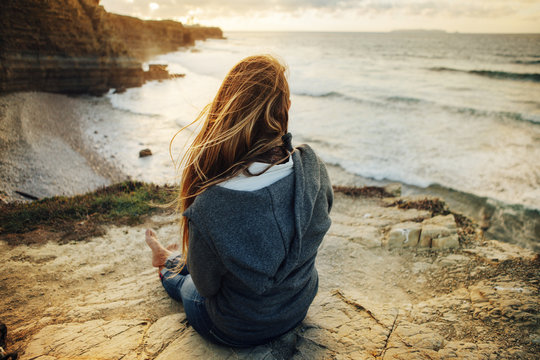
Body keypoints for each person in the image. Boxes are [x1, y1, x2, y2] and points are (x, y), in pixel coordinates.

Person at [145, 54, 333, 347]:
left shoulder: (211, 202)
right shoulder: (312, 167)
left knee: (190, 284)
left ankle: (165, 261)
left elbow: (207, 288)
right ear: (286, 108)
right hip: (296, 308)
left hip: (237, 329)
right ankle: (170, 258)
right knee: (203, 267)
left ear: (226, 110)